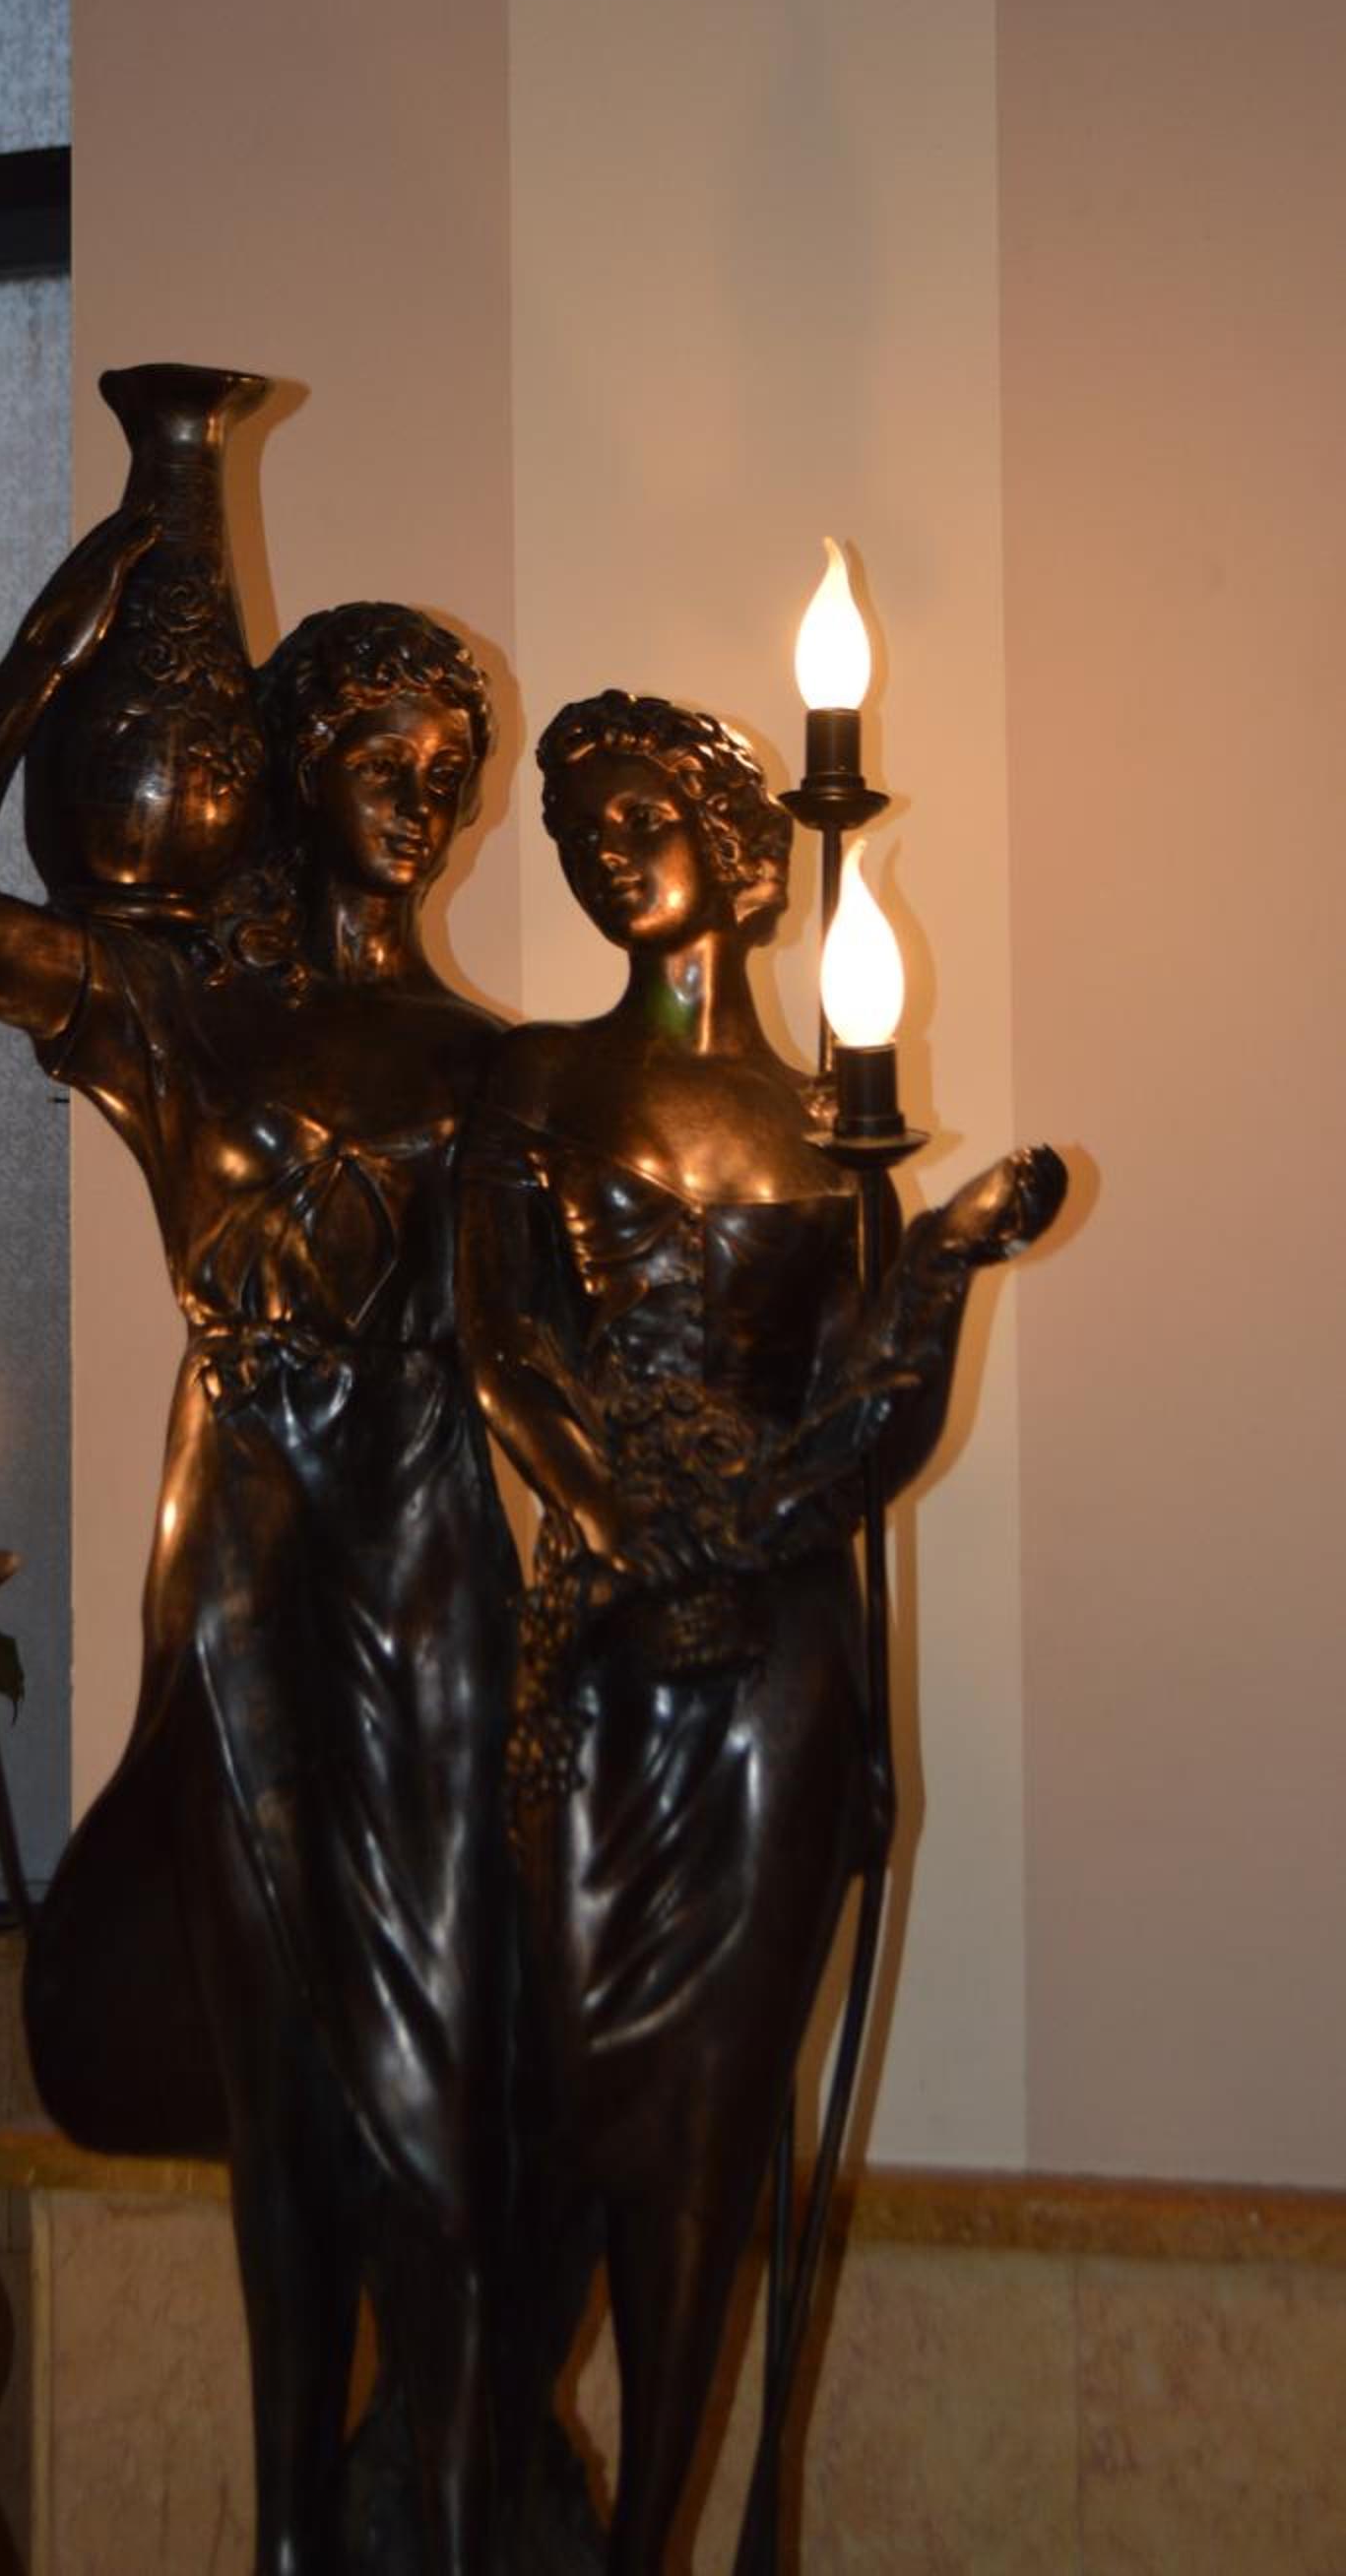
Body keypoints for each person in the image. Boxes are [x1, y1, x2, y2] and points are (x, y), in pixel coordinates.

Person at [0, 532, 518, 2576]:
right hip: (236, 1542)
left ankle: (449, 2481)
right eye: (386, 761)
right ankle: (295, 2530)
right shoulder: (175, 1012)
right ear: (292, 763)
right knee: (276, 2066)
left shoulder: (499, 1069)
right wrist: (45, 651)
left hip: (436, 1566)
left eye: (451, 777)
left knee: (444, 2068)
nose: (422, 807)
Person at [458, 689, 1062, 2576]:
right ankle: (489, 2477)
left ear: (733, 850)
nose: (601, 852)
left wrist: (944, 1262)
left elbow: (862, 1435)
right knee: (565, 2090)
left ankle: (663, 2532)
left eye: (635, 814)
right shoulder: (536, 1085)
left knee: (720, 2120)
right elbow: (504, 1343)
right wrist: (622, 1519)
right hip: (608, 1645)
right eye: (574, 832)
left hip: (783, 1661)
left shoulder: (828, 1124)